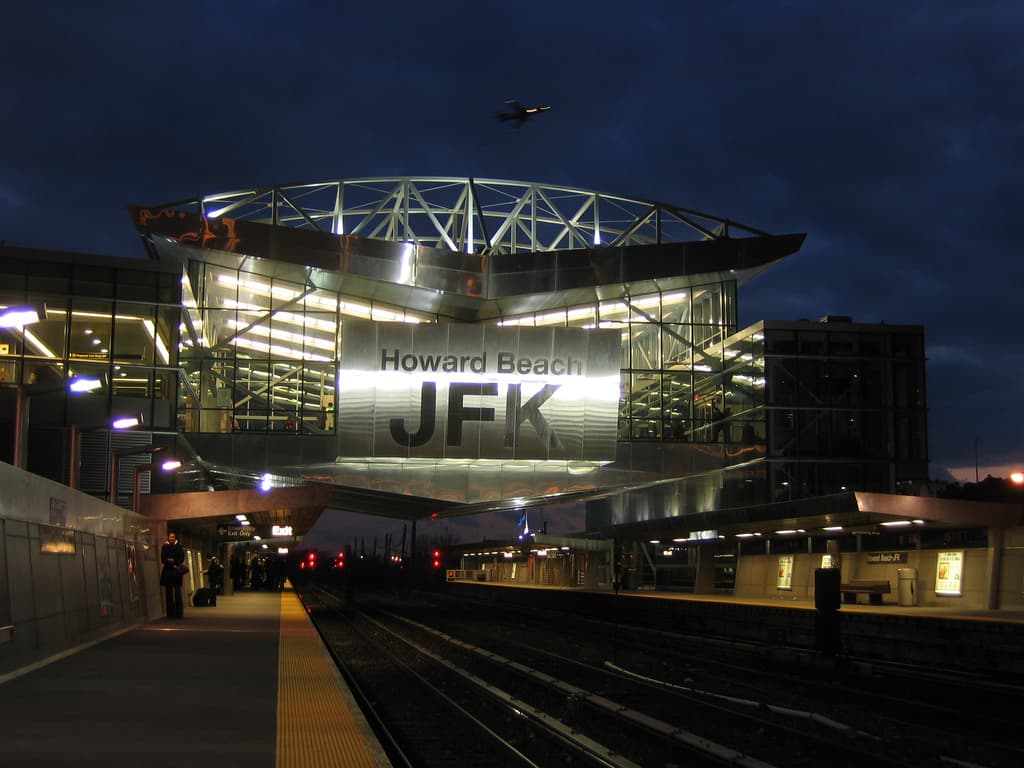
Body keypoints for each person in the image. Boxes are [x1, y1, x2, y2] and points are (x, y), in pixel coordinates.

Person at [160, 531, 186, 618]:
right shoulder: (165, 546)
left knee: (178, 593)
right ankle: (170, 614)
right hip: (168, 573)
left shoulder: (179, 547)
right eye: (170, 537)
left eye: (173, 537)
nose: (172, 538)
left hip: (176, 573)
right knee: (168, 594)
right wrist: (172, 562)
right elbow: (163, 559)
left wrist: (173, 561)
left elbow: (181, 558)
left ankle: (179, 614)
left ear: (175, 538)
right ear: (168, 538)